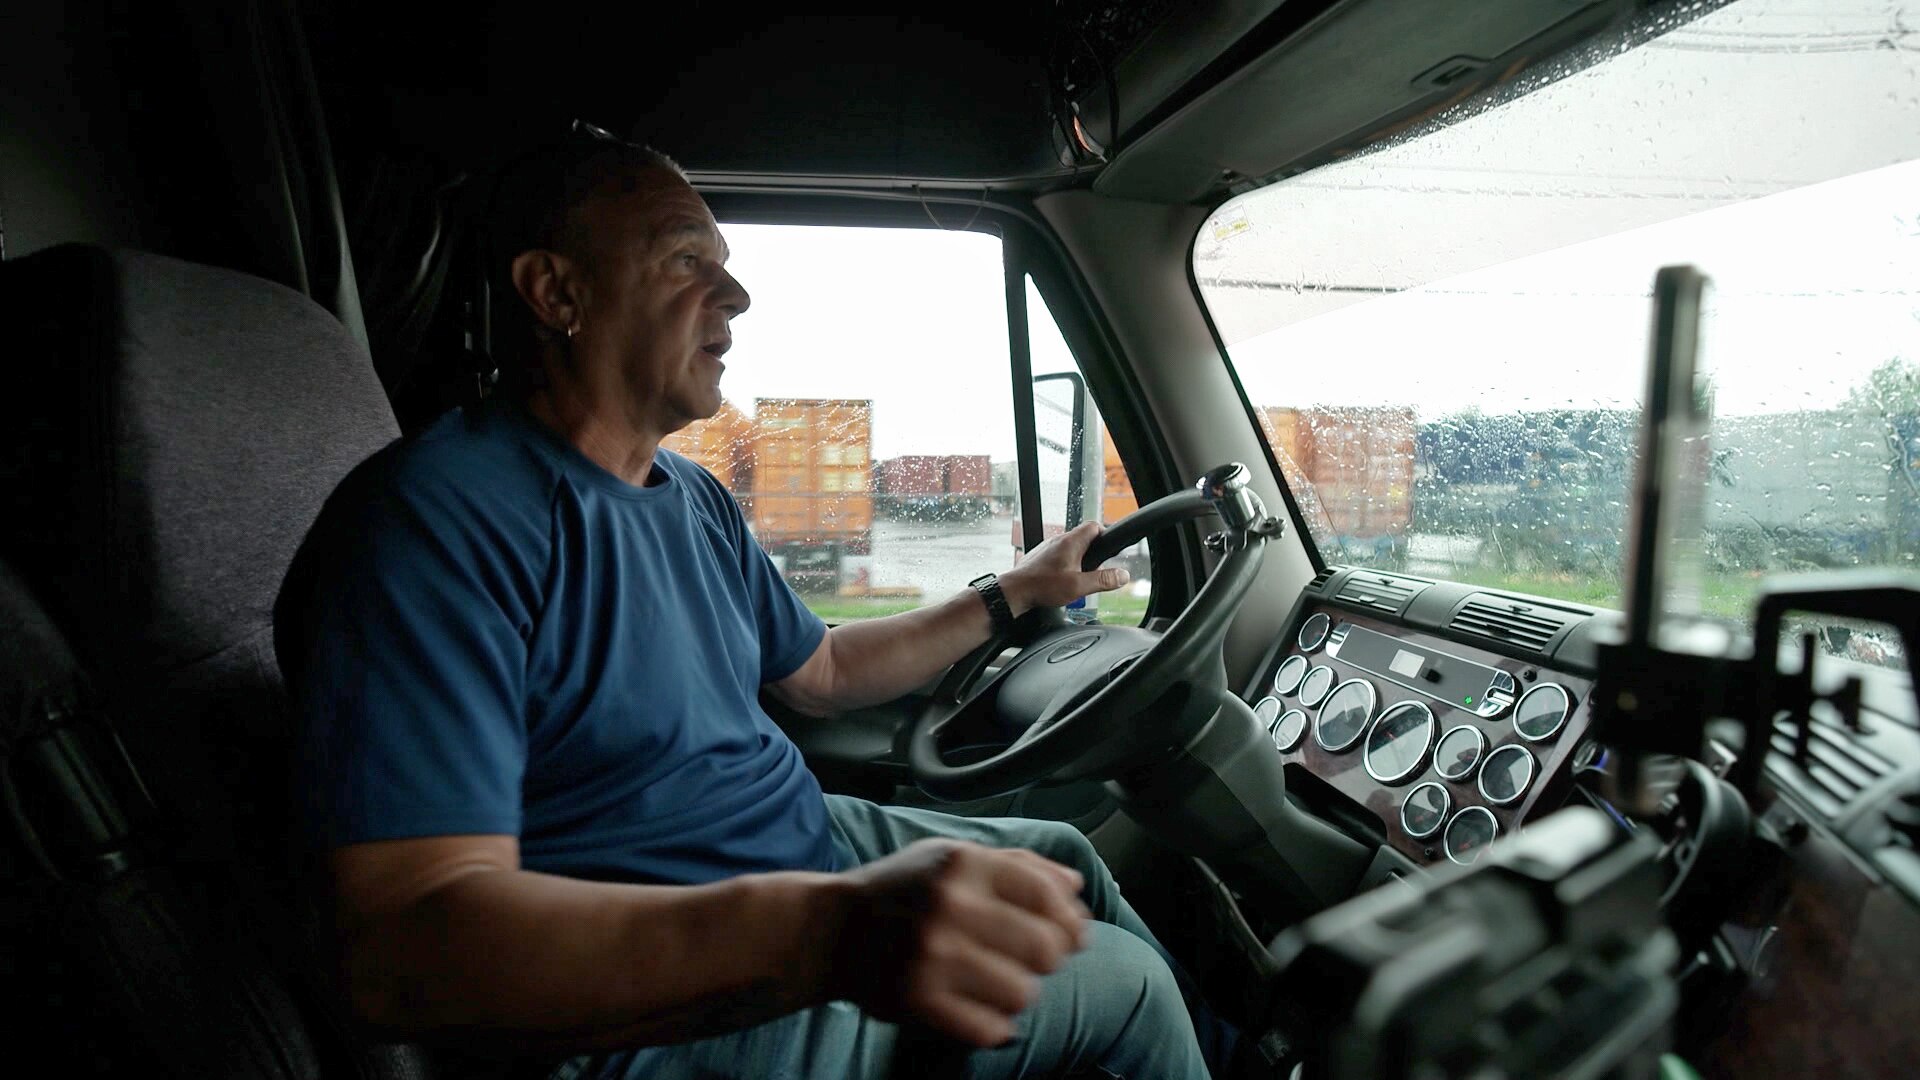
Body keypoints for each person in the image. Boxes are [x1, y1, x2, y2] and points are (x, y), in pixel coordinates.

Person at [274, 130, 1216, 1080]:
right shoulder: (437, 525)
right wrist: (823, 935)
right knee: (1133, 988)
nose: (737, 296)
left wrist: (1019, 591)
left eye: (726, 267)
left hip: (787, 852)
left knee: (1065, 860)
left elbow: (825, 672)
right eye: (686, 260)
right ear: (556, 292)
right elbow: (404, 952)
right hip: (649, 1007)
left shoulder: (691, 498)